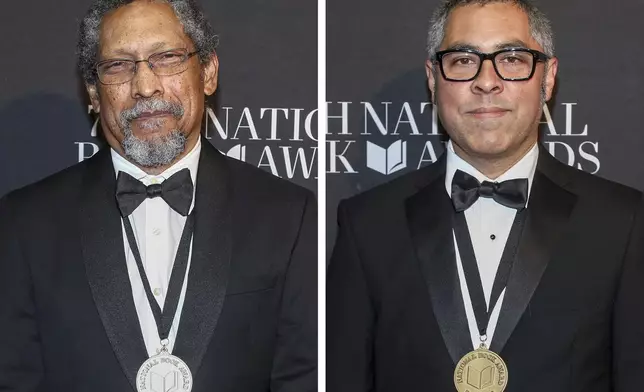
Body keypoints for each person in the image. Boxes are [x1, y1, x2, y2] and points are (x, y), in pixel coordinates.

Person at [327, 1, 644, 391]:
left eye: (511, 59)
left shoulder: (623, 222)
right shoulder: (368, 225)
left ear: (547, 78)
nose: (487, 81)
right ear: (433, 78)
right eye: (463, 60)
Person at [0, 1, 316, 391]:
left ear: (209, 72)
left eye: (166, 58)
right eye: (119, 65)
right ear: (94, 93)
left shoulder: (289, 216)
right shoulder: (25, 222)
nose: (145, 86)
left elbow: (301, 376)